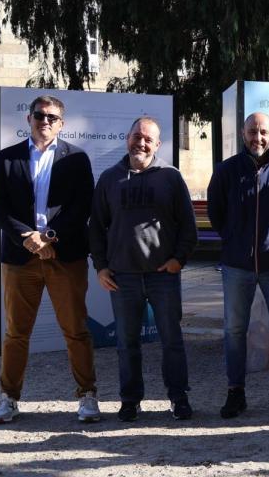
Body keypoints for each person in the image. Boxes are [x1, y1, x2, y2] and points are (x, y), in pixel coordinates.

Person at [0, 95, 99, 424]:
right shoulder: (7, 159)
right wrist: (30, 239)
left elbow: (82, 207)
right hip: (21, 258)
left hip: (64, 256)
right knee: (16, 333)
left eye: (52, 117)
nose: (45, 121)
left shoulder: (76, 159)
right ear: (29, 119)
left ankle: (88, 396)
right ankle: (8, 397)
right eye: (39, 115)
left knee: (76, 330)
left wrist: (48, 237)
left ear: (62, 124)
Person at [89, 117, 198, 422]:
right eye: (137, 136)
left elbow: (188, 227)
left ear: (158, 144)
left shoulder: (170, 177)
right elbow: (96, 227)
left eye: (149, 139)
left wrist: (178, 259)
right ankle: (130, 400)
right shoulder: (110, 179)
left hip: (163, 276)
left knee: (172, 341)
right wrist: (101, 267)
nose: (142, 143)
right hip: (123, 277)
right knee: (127, 343)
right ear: (127, 138)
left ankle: (178, 397)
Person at [207, 112, 269, 418]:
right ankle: (235, 393)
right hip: (237, 266)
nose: (258, 137)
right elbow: (216, 211)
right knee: (234, 330)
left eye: (263, 131)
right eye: (253, 131)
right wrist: (232, 240)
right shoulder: (226, 171)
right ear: (243, 133)